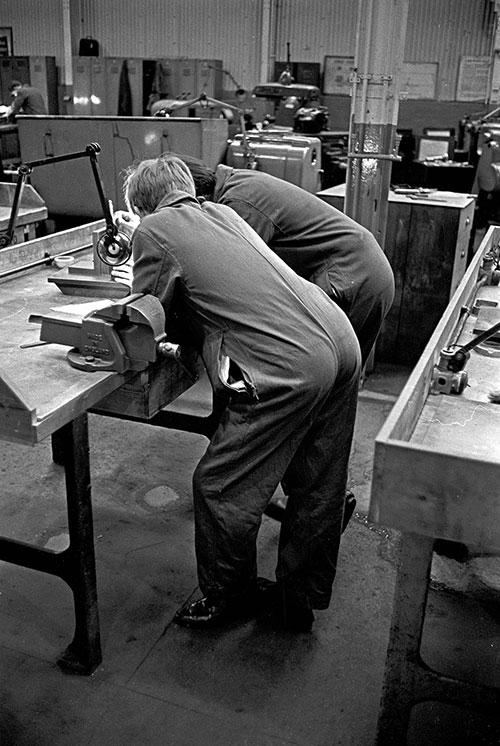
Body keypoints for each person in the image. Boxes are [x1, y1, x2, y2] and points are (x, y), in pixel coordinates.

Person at [114, 154, 361, 633]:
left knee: (220, 486)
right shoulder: (223, 212)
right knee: (317, 478)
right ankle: (298, 602)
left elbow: (143, 318)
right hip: (337, 335)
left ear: (141, 206)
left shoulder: (154, 229)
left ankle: (229, 597)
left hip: (288, 365)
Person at [174, 156, 395, 368]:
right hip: (364, 271)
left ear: (195, 197)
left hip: (350, 276)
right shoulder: (239, 183)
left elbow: (234, 280)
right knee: (336, 384)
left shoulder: (238, 203)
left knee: (312, 369)